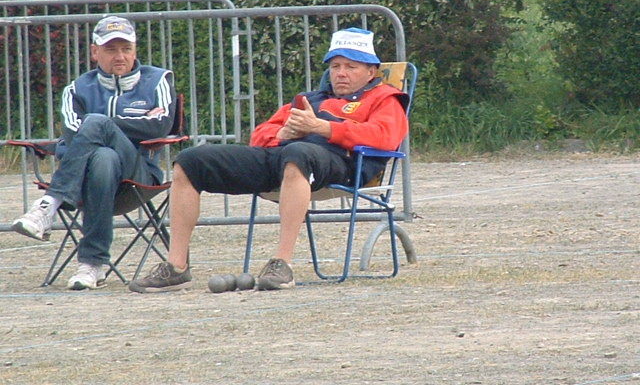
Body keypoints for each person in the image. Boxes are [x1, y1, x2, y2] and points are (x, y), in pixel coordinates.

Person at [128, 27, 409, 293]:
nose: (341, 74)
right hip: (283, 157)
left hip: (341, 164)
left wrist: (323, 128)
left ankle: (282, 263)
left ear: (371, 71)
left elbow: (385, 136)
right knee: (191, 160)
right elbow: (261, 134)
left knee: (297, 155)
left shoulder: (385, 98)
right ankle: (177, 265)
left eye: (351, 66)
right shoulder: (310, 99)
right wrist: (282, 133)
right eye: (335, 67)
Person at [12, 16, 176, 290]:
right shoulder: (76, 89)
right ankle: (92, 265)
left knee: (95, 123)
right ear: (95, 52)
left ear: (135, 50)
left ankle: (49, 204)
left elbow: (159, 125)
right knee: (103, 158)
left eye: (125, 48)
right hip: (91, 177)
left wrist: (106, 124)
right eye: (111, 50)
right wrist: (127, 124)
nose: (120, 56)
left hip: (138, 173)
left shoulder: (158, 79)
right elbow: (74, 135)